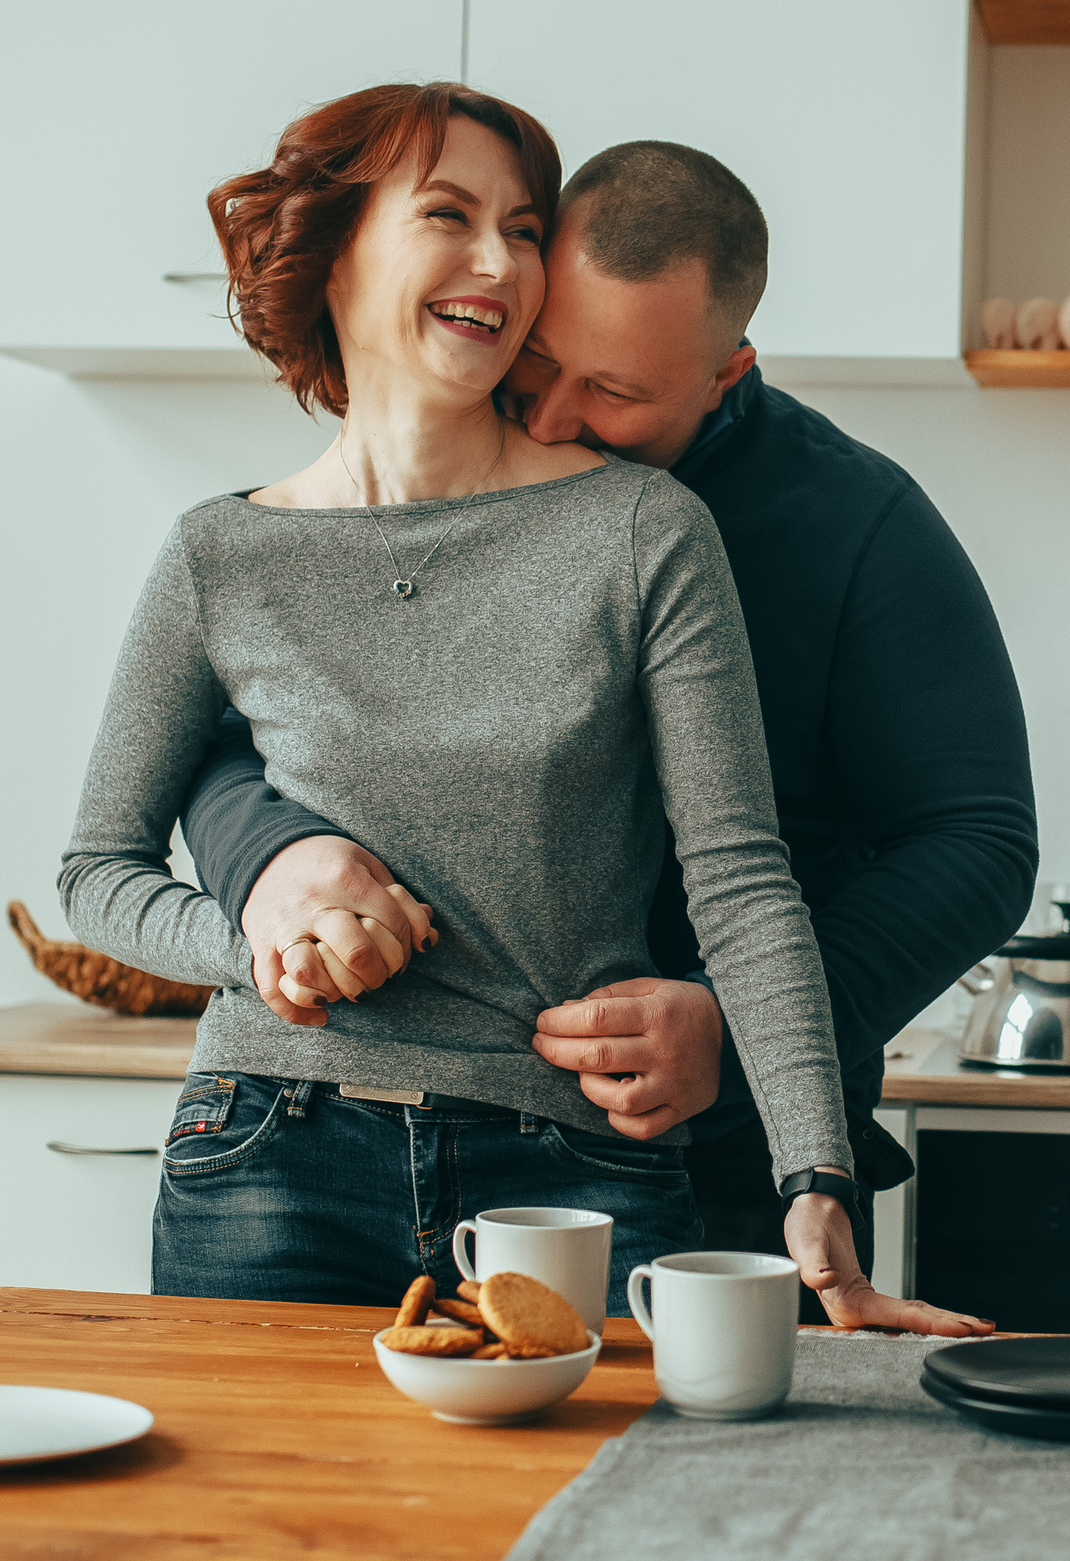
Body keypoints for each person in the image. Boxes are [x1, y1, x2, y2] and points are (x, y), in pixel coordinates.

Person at [61, 82, 929, 1327]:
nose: (501, 262)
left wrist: (816, 1183)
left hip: (572, 1175)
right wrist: (250, 946)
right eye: (449, 216)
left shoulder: (645, 531)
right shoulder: (219, 554)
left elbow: (740, 878)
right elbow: (96, 871)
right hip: (267, 1151)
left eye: (523, 229)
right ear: (338, 249)